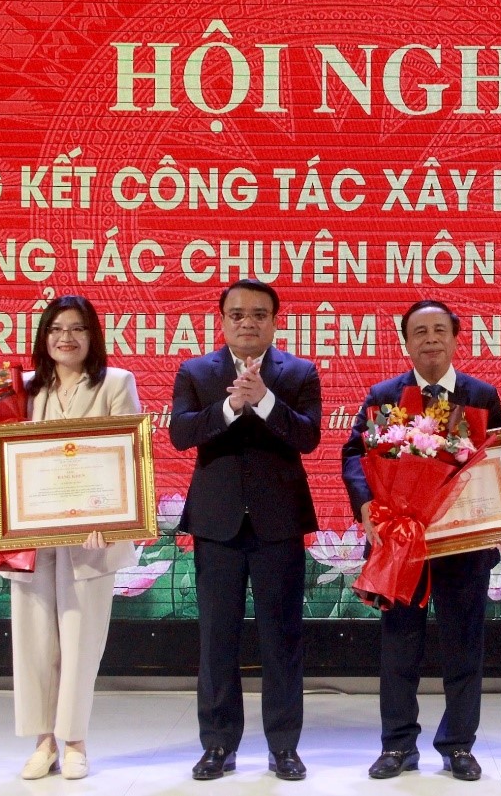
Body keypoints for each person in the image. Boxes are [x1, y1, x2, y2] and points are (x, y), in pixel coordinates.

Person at [341, 299, 501, 782]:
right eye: (420, 332)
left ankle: (459, 745)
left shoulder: (481, 395)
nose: (430, 339)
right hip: (402, 544)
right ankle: (397, 745)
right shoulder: (384, 395)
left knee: (464, 646)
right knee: (400, 647)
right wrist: (365, 503)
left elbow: (499, 459)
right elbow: (355, 453)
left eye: (439, 330)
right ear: (406, 343)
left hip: (463, 543)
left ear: (455, 338)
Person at [170, 278, 322, 782]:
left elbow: (309, 437)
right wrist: (231, 407)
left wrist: (266, 401)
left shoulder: (298, 372)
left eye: (259, 314)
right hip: (217, 525)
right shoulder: (197, 371)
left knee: (282, 639)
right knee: (217, 640)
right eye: (237, 314)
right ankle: (218, 744)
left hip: (279, 524)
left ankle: (284, 747)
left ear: (275, 322)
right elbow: (180, 434)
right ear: (222, 321)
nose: (248, 323)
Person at [5, 294, 140, 781]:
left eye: (78, 328)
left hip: (93, 537)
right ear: (44, 337)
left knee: (81, 640)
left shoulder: (116, 383)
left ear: (93, 336)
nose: (67, 337)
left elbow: (129, 456)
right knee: (34, 638)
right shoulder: (22, 389)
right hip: (32, 537)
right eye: (57, 328)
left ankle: (76, 740)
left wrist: (114, 518)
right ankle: (43, 742)